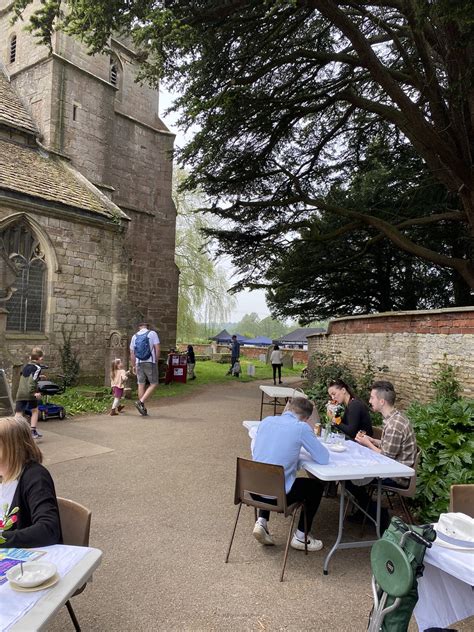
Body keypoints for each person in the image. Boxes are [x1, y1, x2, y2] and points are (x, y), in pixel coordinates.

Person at [252, 397, 329, 551]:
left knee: (269, 467)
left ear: (288, 409)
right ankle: (301, 536)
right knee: (315, 486)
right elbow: (323, 458)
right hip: (278, 496)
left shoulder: (266, 421)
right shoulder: (301, 428)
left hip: (253, 490)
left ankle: (261, 521)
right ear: (306, 418)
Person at [346, 380, 417, 527]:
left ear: (382, 401)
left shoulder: (394, 425)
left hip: (398, 475)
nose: (369, 401)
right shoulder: (394, 418)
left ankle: (377, 515)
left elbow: (387, 458)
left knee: (349, 479)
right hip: (395, 468)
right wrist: (372, 440)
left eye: (372, 397)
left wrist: (367, 443)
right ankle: (369, 513)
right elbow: (389, 447)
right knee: (352, 475)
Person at [0, 417, 62, 548]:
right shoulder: (3, 477)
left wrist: (3, 539)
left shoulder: (35, 477)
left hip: (30, 561)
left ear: (13, 447)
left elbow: (48, 530)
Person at [130, 322, 160, 416]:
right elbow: (157, 349)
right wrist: (156, 361)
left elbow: (132, 353)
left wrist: (133, 365)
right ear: (148, 327)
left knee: (141, 384)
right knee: (154, 383)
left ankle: (142, 406)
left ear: (139, 327)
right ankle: (141, 402)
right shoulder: (152, 333)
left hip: (138, 363)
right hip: (150, 362)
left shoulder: (134, 336)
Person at [14, 346, 45, 441]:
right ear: (40, 358)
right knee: (35, 411)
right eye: (42, 358)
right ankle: (32, 431)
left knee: (18, 413)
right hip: (30, 393)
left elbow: (26, 378)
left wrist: (39, 377)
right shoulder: (37, 368)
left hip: (20, 393)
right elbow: (32, 381)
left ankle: (13, 432)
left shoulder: (25, 366)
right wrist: (34, 392)